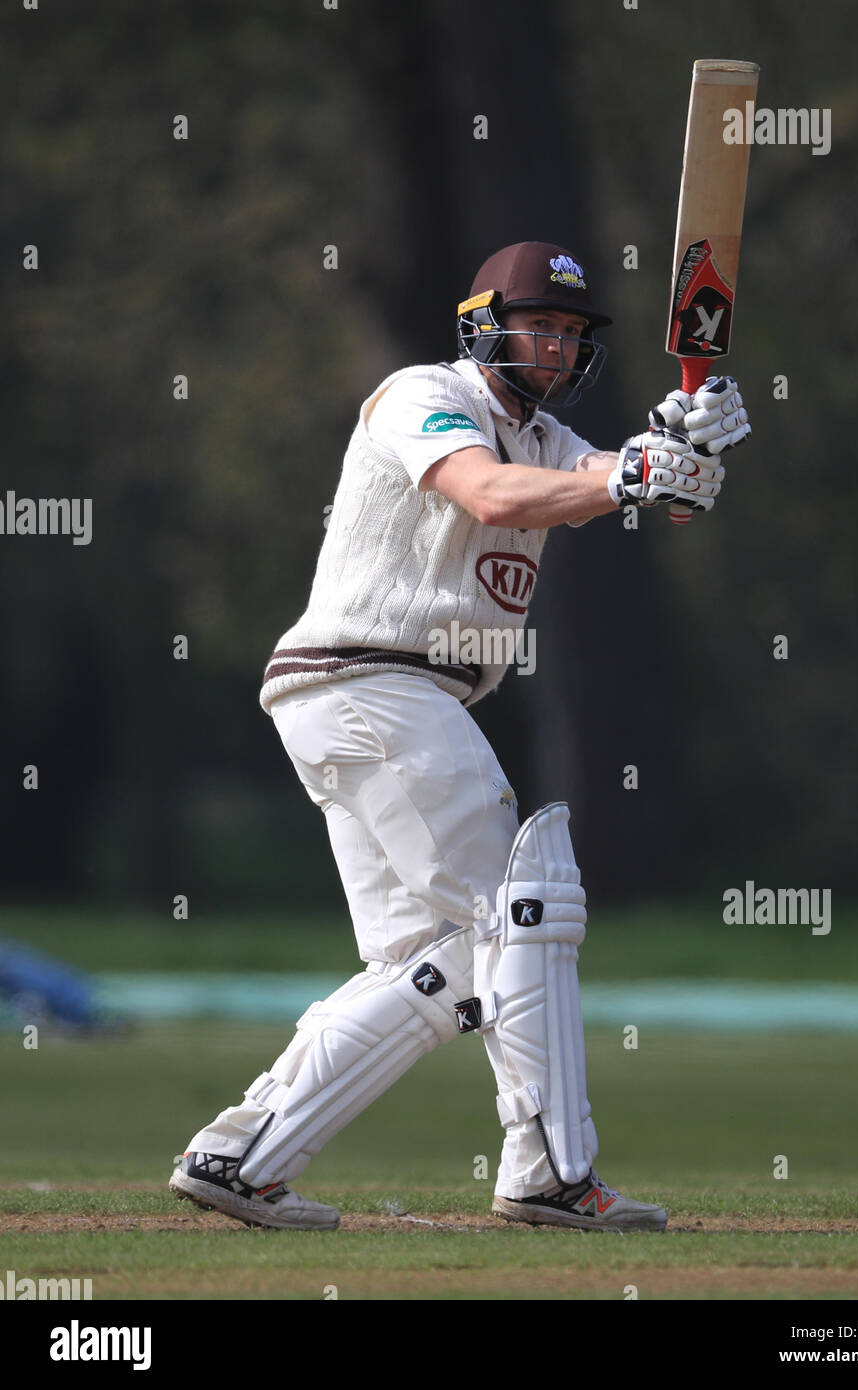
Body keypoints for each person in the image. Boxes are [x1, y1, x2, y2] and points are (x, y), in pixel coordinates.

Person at [169, 241, 749, 1232]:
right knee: (527, 907)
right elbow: (490, 494)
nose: (559, 347)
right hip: (368, 677)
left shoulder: (549, 437)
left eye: (571, 333)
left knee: (445, 962)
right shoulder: (421, 396)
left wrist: (683, 451)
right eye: (541, 326)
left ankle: (241, 1153)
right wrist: (634, 475)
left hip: (378, 699)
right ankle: (551, 1172)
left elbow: (640, 490)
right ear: (485, 322)